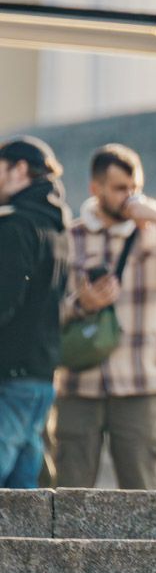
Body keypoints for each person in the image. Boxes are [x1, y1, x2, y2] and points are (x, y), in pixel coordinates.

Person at [53, 144, 156, 490]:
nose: (130, 197)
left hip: (140, 384)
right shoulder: (70, 237)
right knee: (68, 492)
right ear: (96, 189)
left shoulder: (153, 235)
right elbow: (48, 314)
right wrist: (82, 304)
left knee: (145, 495)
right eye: (120, 188)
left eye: (135, 188)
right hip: (79, 384)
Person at [0, 137, 70, 489]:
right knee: (22, 492)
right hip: (40, 374)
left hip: (11, 372)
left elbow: (3, 300)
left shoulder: (16, 227)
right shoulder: (57, 226)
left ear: (19, 169)